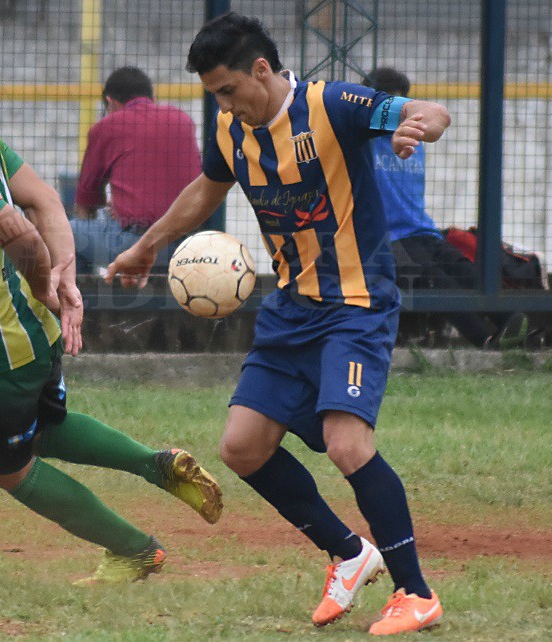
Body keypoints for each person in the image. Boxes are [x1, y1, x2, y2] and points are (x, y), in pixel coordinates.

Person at [107, 14, 447, 635]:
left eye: (228, 89)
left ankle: (416, 592)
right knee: (242, 447)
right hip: (291, 309)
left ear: (261, 70)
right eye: (215, 94)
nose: (223, 102)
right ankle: (349, 555)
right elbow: (208, 189)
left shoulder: (333, 103)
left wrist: (413, 129)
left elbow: (429, 110)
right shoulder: (231, 128)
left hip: (355, 301)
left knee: (347, 444)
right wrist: (149, 244)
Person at [0, 43, 222, 584]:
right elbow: (46, 200)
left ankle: (135, 549)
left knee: (8, 470)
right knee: (42, 427)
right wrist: (63, 277)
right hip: (33, 338)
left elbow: (19, 229)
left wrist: (47, 283)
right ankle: (157, 464)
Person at [363, 66, 533, 350]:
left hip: (423, 229)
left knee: (466, 271)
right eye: (390, 104)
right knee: (435, 280)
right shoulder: (367, 139)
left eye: (402, 103)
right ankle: (486, 340)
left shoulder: (415, 135)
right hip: (389, 238)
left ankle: (516, 323)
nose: (397, 112)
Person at [71, 66, 200, 274]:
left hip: (138, 245)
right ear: (153, 97)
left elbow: (87, 203)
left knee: (66, 233)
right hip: (187, 247)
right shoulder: (183, 119)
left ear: (110, 102)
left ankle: (84, 301)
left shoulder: (107, 125)